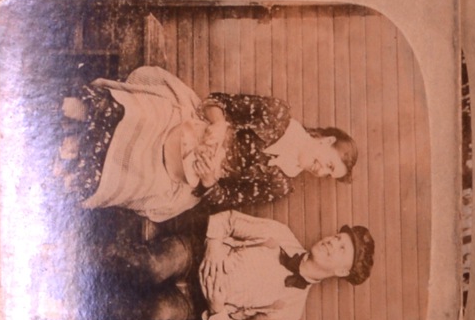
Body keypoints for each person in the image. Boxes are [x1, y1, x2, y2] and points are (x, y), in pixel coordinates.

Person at [58, 64, 356, 222]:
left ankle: (73, 157)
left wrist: (211, 179)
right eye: (329, 163)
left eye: (329, 175)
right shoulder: (278, 114)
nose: (322, 171)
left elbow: (224, 198)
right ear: (326, 140)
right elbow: (219, 102)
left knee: (142, 178)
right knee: (146, 117)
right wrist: (218, 124)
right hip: (193, 125)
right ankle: (73, 113)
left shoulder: (280, 184)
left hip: (194, 172)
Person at [196, 213, 375, 320]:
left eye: (341, 248)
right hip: (195, 256)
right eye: (337, 238)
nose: (332, 243)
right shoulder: (280, 233)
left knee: (166, 313)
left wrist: (216, 309)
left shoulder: (290, 310)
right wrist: (213, 249)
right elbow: (229, 219)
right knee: (169, 259)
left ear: (342, 271)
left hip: (195, 304)